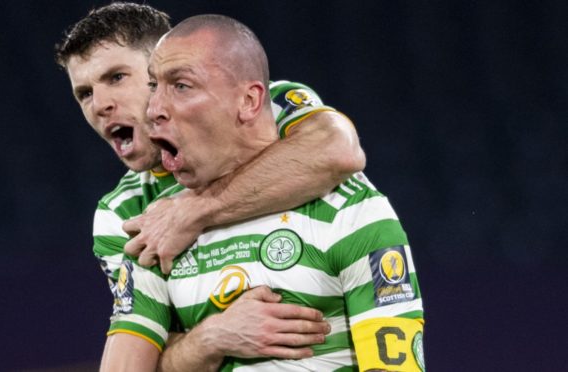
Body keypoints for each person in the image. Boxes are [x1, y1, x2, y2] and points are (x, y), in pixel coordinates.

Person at [54, 3, 365, 371]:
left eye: (117, 77)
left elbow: (338, 150)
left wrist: (195, 211)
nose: (101, 105)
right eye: (84, 93)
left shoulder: (267, 105)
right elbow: (141, 362)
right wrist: (213, 337)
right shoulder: (121, 213)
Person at [144, 14, 425, 371]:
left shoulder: (351, 211)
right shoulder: (159, 226)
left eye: (181, 86)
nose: (153, 110)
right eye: (154, 86)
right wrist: (208, 340)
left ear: (248, 101)